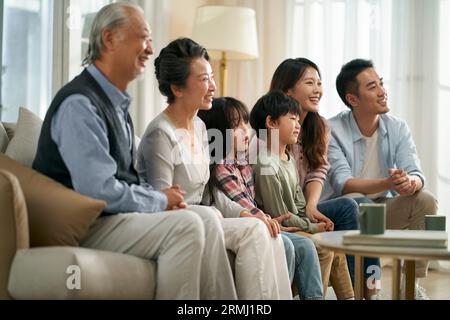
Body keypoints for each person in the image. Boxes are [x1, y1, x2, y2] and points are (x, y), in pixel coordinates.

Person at [32, 3, 236, 300]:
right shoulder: (81, 104)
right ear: (109, 39)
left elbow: (124, 178)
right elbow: (99, 190)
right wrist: (158, 199)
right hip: (82, 223)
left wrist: (163, 201)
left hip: (110, 217)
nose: (150, 49)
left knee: (205, 217)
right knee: (187, 225)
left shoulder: (117, 105)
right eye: (143, 37)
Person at [136, 38, 292, 299]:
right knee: (251, 230)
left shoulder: (198, 126)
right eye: (204, 79)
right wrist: (211, 214)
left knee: (263, 229)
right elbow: (160, 204)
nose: (213, 86)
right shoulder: (160, 134)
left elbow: (210, 196)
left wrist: (247, 214)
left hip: (205, 216)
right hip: (179, 223)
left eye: (211, 77)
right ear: (177, 88)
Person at [324, 58, 438, 299]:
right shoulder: (331, 129)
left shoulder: (397, 127)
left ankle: (410, 284)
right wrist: (388, 183)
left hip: (383, 207)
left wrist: (409, 183)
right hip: (348, 210)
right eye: (372, 87)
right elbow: (343, 184)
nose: (382, 91)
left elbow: (417, 173)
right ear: (352, 99)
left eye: (381, 83)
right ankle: (368, 289)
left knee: (425, 200)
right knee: (359, 202)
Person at [198, 96, 324, 300]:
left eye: (245, 123)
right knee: (297, 245)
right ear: (219, 132)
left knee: (300, 245)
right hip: (240, 223)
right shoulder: (222, 167)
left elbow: (255, 203)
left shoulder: (244, 164)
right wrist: (271, 221)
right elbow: (243, 205)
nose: (245, 130)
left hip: (262, 221)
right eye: (235, 126)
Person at [269, 58, 375, 298]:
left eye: (319, 82)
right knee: (349, 205)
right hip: (282, 207)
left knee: (363, 207)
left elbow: (318, 170)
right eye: (309, 83)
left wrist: (312, 205)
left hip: (303, 204)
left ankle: (369, 290)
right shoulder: (273, 128)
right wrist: (305, 209)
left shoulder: (319, 126)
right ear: (288, 90)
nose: (317, 89)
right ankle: (357, 293)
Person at [249, 90, 354, 300]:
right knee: (324, 247)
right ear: (271, 123)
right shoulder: (266, 164)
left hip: (297, 223)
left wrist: (311, 220)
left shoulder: (287, 158)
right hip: (282, 226)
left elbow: (298, 202)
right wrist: (313, 227)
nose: (298, 125)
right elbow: (281, 213)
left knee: (335, 244)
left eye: (298, 119)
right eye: (292, 119)